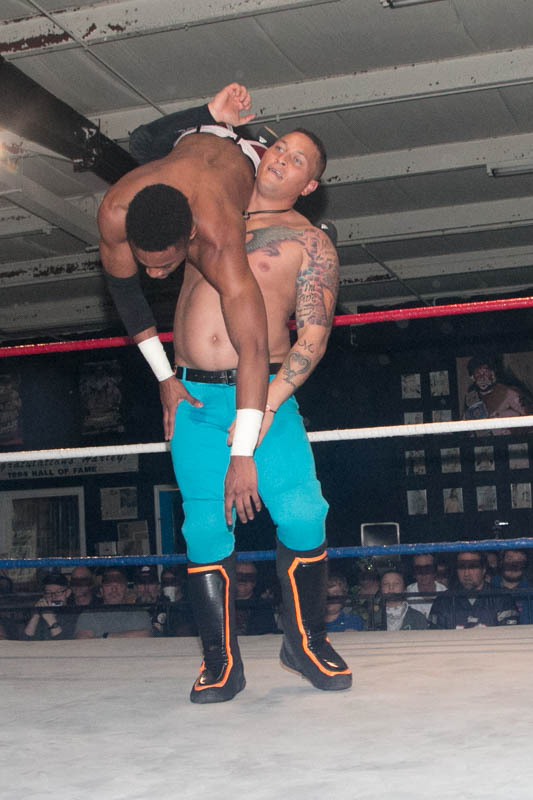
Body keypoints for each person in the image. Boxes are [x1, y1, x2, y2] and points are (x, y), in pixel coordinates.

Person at [134, 97, 351, 702]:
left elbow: (312, 339)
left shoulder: (310, 245)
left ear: (309, 185)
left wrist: (265, 414)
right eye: (279, 146)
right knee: (204, 527)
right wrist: (209, 111)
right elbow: (141, 143)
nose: (282, 157)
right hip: (195, 402)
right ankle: (221, 661)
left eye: (298, 160)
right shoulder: (207, 207)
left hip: (268, 397)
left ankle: (306, 641)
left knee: (304, 513)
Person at [98, 83, 270, 523]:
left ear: (190, 238)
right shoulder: (117, 209)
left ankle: (233, 131)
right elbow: (124, 290)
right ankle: (210, 113)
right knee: (141, 142)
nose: (154, 275)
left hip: (249, 165)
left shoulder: (219, 238)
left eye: (165, 265)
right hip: (190, 140)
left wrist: (243, 452)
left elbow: (254, 346)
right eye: (145, 262)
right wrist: (165, 376)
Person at [429, 551, 519, 629]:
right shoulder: (443, 601)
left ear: (483, 569)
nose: (466, 573)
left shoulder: (502, 598)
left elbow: (509, 637)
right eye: (462, 567)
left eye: (472, 567)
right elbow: (434, 638)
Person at [463, 354, 533, 435]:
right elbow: (465, 427)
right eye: (478, 374)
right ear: (472, 377)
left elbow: (530, 420)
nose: (482, 378)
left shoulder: (509, 393)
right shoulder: (471, 398)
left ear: (493, 373)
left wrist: (513, 431)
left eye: (485, 373)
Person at [75, 567, 152, 639]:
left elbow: (145, 635)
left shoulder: (139, 613)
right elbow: (83, 641)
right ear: (101, 591)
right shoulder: (88, 615)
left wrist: (106, 636)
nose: (114, 590)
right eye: (109, 585)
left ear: (126, 590)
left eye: (119, 585)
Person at [23, 573, 76, 640]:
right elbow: (25, 642)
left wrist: (50, 619)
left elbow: (64, 644)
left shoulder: (74, 615)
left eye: (58, 592)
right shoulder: (41, 616)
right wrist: (35, 616)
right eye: (48, 593)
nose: (54, 597)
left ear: (68, 593)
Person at [234, 561, 278, 636]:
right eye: (238, 575)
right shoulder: (221, 605)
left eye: (249, 577)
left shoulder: (263, 607)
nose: (243, 580)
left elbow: (268, 636)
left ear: (255, 581)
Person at [491, 549, 532, 624]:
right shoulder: (487, 587)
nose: (514, 565)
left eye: (519, 560)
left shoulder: (530, 591)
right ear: (501, 562)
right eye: (509, 559)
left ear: (525, 564)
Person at [406, 553, 447, 619]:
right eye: (418, 569)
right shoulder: (407, 594)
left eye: (427, 568)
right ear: (413, 572)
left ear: (435, 571)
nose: (423, 573)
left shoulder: (445, 593)